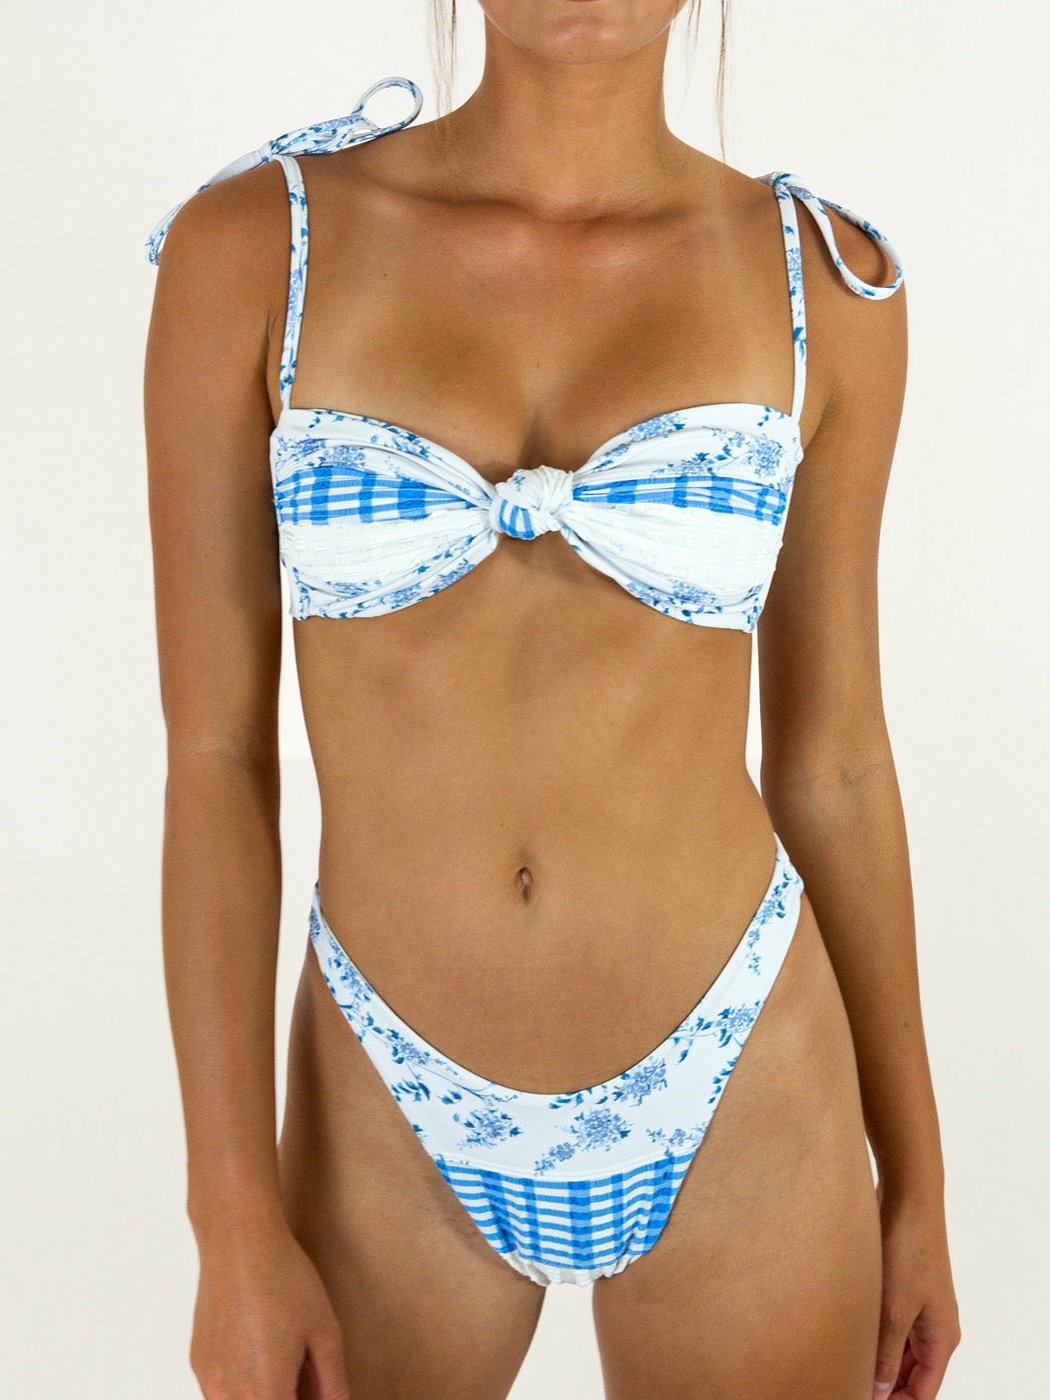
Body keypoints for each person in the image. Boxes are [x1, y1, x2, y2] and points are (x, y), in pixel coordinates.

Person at [142, 3, 959, 1396]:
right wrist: (228, 1221)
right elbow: (217, 755)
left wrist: (920, 1185)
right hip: (383, 1108)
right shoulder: (256, 249)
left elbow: (834, 763)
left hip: (748, 1081)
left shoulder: (824, 286)